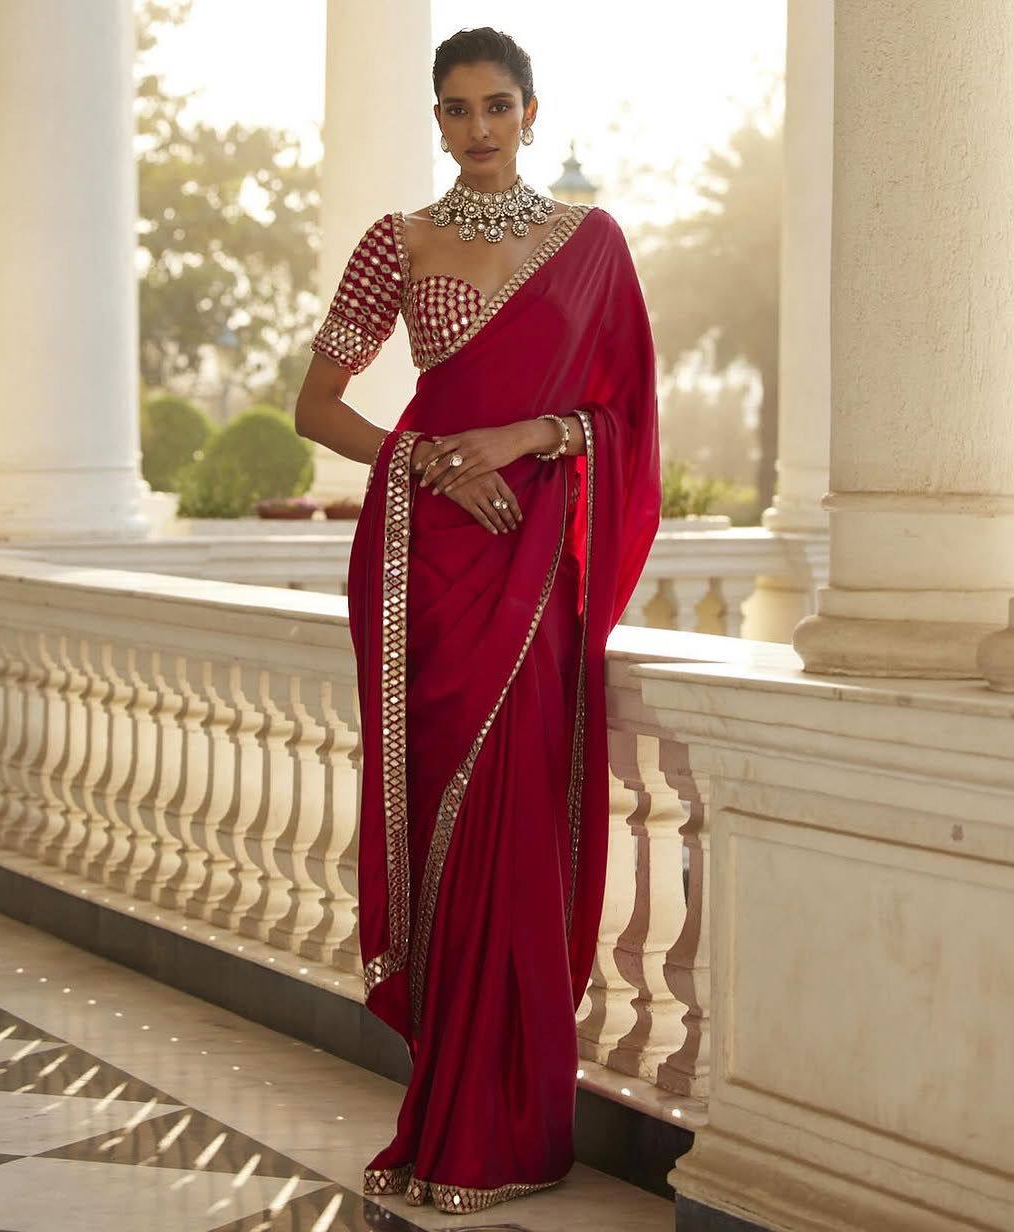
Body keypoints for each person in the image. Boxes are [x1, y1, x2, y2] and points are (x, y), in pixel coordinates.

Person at [295, 25, 661, 1218]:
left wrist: (524, 436)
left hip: (539, 562)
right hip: (426, 561)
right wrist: (433, 464)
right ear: (437, 120)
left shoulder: (592, 244)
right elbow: (317, 405)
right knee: (441, 827)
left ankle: (506, 1120)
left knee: (512, 818)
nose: (478, 129)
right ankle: (445, 1111)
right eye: (456, 110)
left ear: (533, 112)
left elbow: (625, 419)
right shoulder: (393, 245)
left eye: (497, 106)